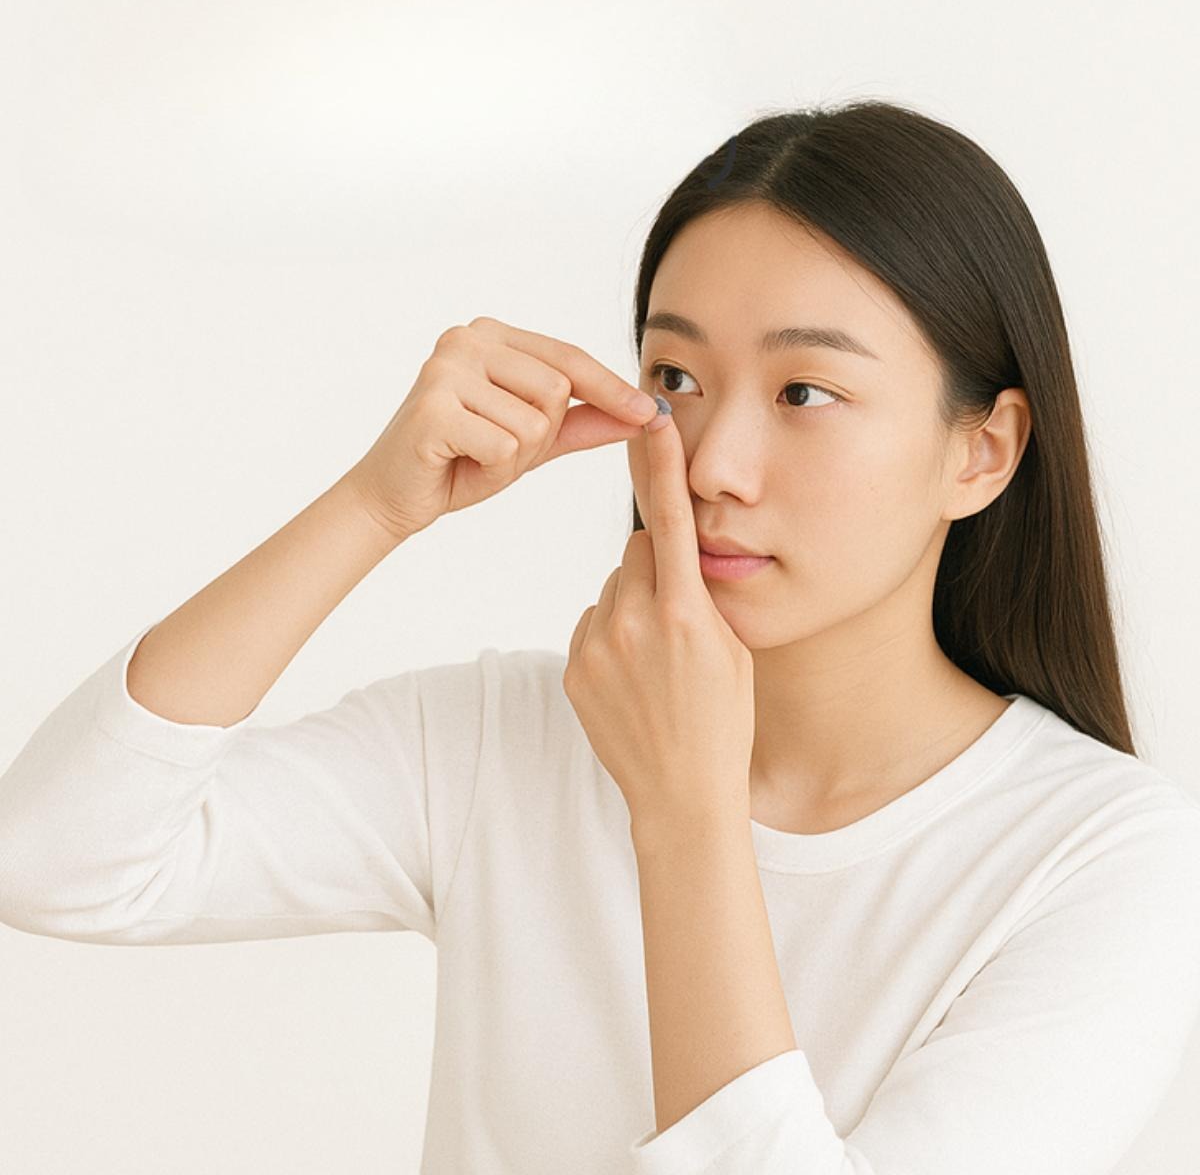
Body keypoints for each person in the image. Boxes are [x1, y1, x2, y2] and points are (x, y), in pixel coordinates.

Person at [2, 99, 1199, 1174]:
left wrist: (685, 816)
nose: (713, 464)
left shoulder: (1106, 860)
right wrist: (375, 506)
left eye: (804, 393)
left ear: (981, 451)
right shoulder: (502, 742)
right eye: (674, 378)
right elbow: (56, 859)